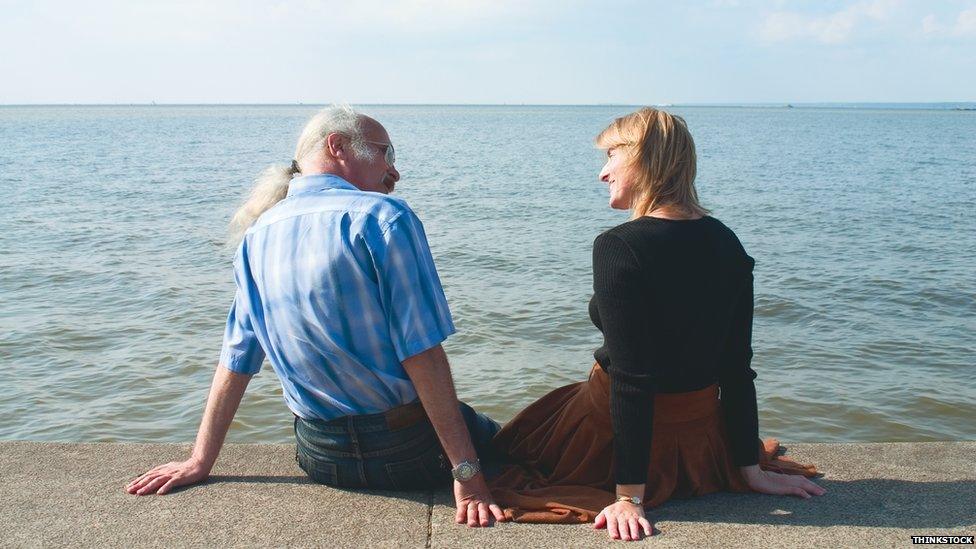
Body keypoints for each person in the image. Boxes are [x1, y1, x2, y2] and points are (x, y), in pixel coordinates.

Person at [126, 105, 505, 528]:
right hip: (406, 454)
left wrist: (200, 460)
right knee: (522, 441)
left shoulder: (257, 235)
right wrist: (468, 477)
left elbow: (236, 360)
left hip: (320, 458)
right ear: (337, 145)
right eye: (387, 154)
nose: (395, 173)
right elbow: (422, 353)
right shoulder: (382, 218)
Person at [488, 108, 825, 541]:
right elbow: (737, 367)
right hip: (703, 440)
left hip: (610, 435)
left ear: (643, 159)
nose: (603, 173)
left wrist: (628, 496)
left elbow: (632, 377)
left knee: (502, 448)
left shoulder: (619, 246)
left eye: (610, 156)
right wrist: (748, 467)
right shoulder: (727, 240)